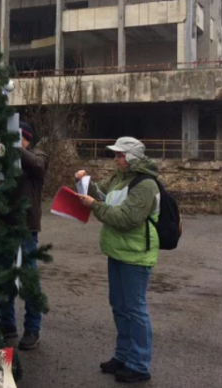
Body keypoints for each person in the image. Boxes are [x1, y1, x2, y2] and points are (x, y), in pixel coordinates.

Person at [75, 137, 160, 384]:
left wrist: (94, 206)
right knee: (120, 307)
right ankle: (123, 356)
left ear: (132, 157)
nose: (115, 159)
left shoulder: (146, 185)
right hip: (117, 251)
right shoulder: (118, 177)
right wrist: (84, 183)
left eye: (120, 155)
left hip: (136, 255)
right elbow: (101, 194)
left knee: (135, 309)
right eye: (115, 155)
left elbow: (126, 218)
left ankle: (140, 364)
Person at [0, 121, 48, 351]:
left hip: (26, 227)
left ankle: (32, 329)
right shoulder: (6, 160)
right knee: (3, 276)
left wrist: (14, 146)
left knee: (29, 279)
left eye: (19, 138)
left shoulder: (39, 155)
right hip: (4, 225)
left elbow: (37, 165)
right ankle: (7, 325)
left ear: (27, 139)